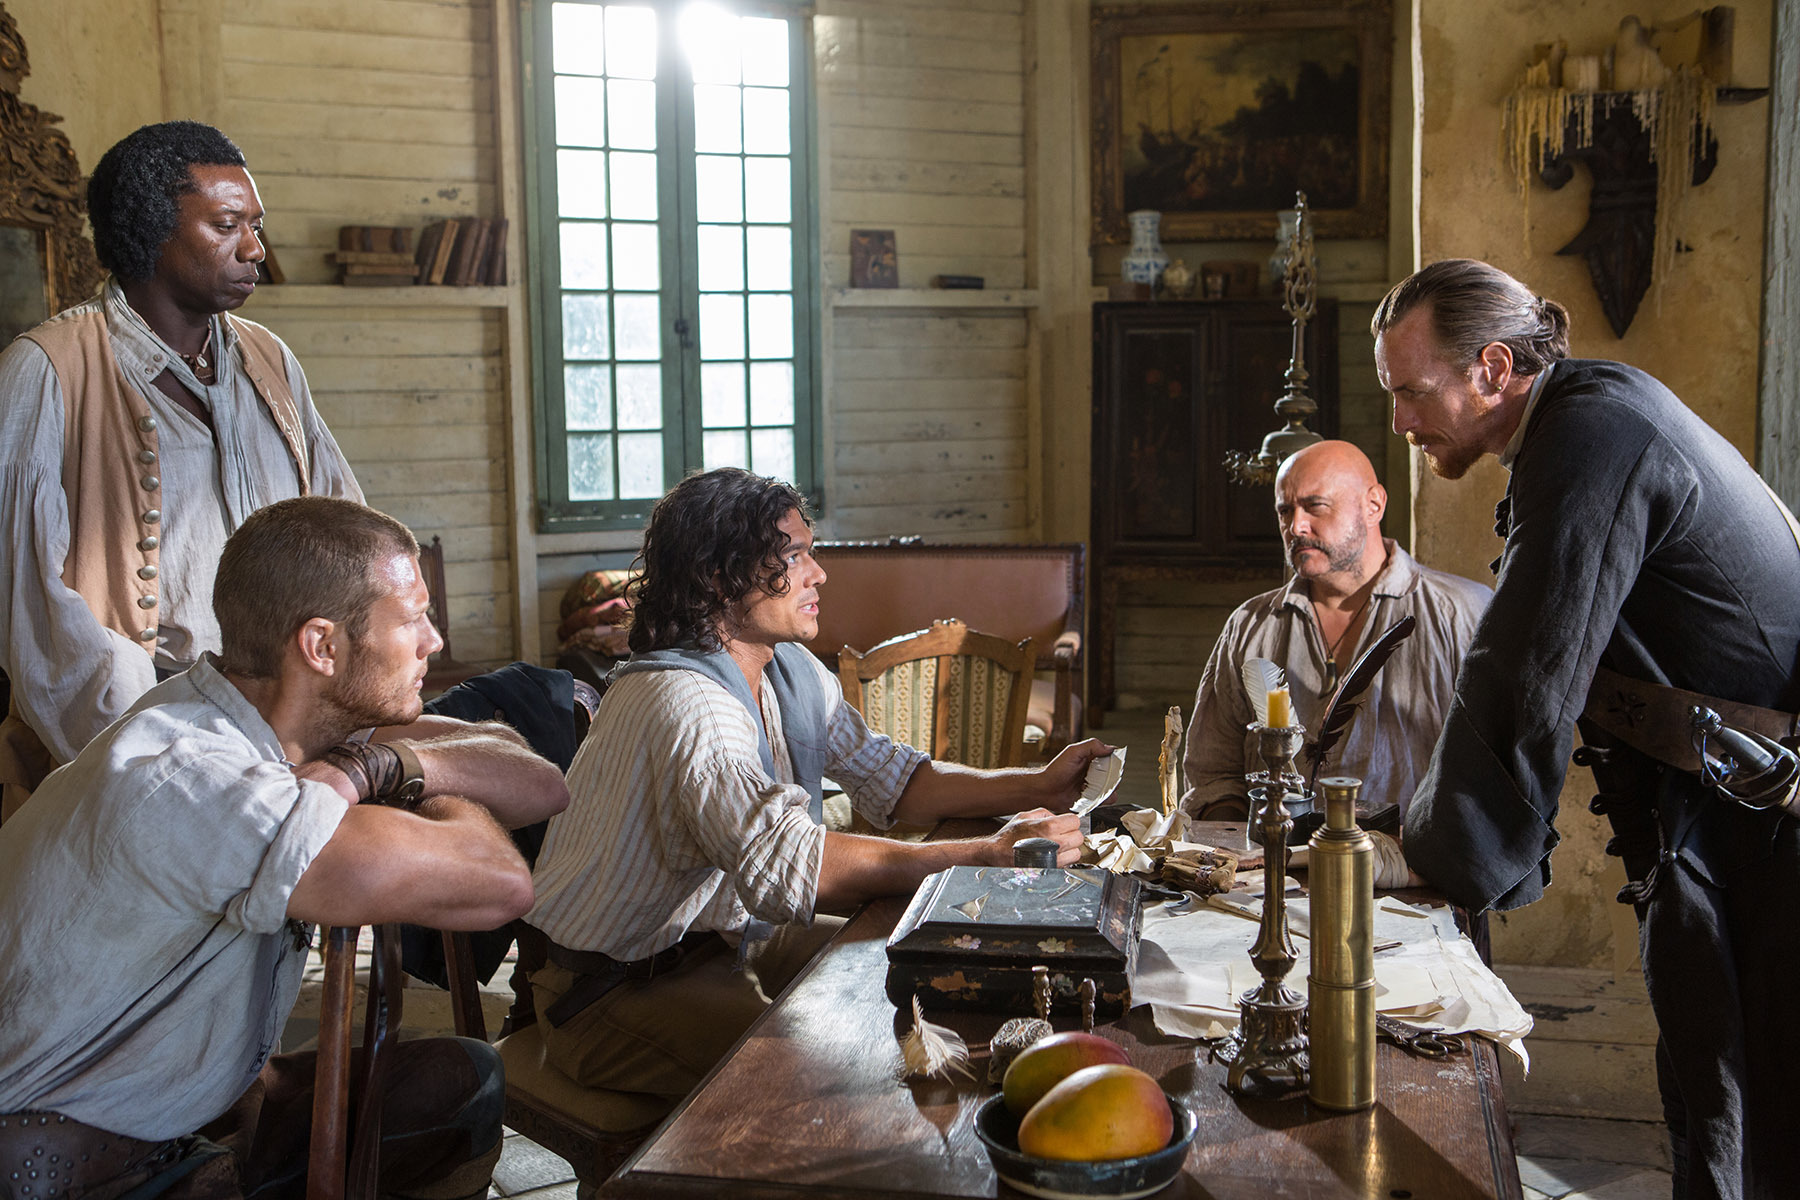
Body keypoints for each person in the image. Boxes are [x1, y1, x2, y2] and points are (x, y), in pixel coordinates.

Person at [0, 496, 570, 1200]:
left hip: (181, 1114)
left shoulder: (282, 721)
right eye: (413, 617)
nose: (435, 641)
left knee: (462, 1084)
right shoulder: (188, 770)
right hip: (69, 1168)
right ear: (322, 646)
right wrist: (394, 770)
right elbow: (500, 883)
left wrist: (378, 766)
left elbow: (536, 779)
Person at [1375, 258, 1800, 1200]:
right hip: (1719, 812)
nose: (1400, 423)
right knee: (1712, 1085)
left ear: (1491, 368)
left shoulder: (1592, 429)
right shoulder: (1585, 415)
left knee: (1753, 1095)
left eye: (1410, 392)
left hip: (1761, 827)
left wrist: (1421, 848)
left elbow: (1526, 666)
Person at [525, 467, 1113, 1107]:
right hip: (610, 990)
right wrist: (983, 857)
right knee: (847, 1077)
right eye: (795, 556)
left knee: (923, 971)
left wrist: (1040, 784)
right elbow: (789, 868)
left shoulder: (788, 670)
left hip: (717, 944)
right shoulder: (685, 700)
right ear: (718, 577)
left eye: (811, 551)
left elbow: (895, 778)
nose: (818, 573)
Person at [0, 121, 360, 814]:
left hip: (288, 737)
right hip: (128, 757)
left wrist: (332, 706)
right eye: (228, 225)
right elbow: (38, 615)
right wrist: (172, 762)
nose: (255, 248)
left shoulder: (272, 361)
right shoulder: (45, 371)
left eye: (255, 224)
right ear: (147, 232)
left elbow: (344, 532)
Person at [1182, 440, 1490, 820]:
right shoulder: (1250, 625)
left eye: (1315, 506)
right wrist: (1244, 850)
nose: (1296, 526)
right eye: (1285, 511)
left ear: (1373, 505)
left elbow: (1495, 778)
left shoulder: (1461, 613)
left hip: (1416, 873)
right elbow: (1213, 774)